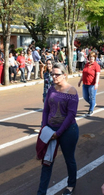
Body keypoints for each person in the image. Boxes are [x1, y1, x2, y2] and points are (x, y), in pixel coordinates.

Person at [37, 63, 79, 195]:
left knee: (69, 159)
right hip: (51, 130)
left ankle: (71, 185)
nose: (54, 76)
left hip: (68, 131)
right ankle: (41, 192)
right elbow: (46, 110)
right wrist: (44, 126)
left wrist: (58, 133)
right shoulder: (51, 89)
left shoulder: (72, 92)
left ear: (64, 75)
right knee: (47, 162)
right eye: (52, 74)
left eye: (57, 74)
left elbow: (71, 115)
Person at [78, 51, 100, 116]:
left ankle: (91, 110)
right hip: (85, 83)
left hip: (92, 84)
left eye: (93, 57)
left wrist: (96, 83)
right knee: (85, 97)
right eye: (90, 57)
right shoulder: (86, 64)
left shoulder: (96, 65)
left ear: (95, 58)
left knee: (92, 96)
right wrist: (80, 81)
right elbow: (83, 73)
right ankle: (93, 103)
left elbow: (98, 75)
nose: (91, 58)